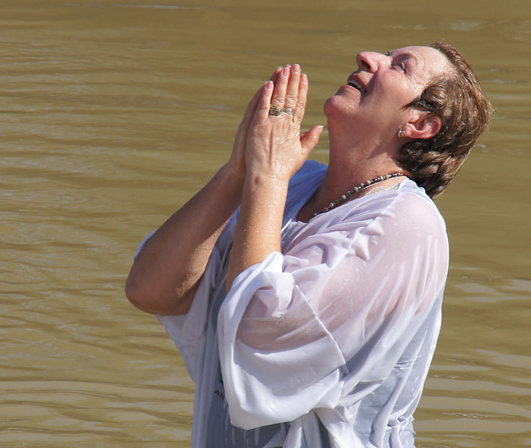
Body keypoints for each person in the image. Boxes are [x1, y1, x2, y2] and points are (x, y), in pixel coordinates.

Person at [126, 42, 492, 448]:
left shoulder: (410, 224)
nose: (368, 57)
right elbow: (151, 290)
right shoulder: (293, 184)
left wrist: (267, 174)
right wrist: (239, 171)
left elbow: (256, 338)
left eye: (399, 66)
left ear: (420, 124)